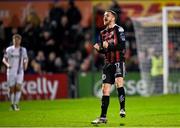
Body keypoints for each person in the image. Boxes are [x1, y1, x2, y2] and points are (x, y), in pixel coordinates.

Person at [91, 10, 126, 124]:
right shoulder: (102, 33)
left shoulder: (119, 29)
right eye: (104, 16)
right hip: (107, 64)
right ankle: (103, 117)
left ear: (113, 18)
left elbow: (122, 45)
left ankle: (122, 109)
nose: (104, 17)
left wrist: (109, 46)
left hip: (118, 61)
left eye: (107, 16)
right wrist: (99, 49)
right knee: (105, 90)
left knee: (118, 82)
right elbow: (105, 50)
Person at [2, 34, 28, 111]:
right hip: (11, 71)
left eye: (18, 40)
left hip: (20, 71)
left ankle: (16, 104)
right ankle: (12, 104)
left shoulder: (23, 50)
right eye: (15, 40)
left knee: (18, 87)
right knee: (11, 89)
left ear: (20, 41)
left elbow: (26, 58)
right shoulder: (9, 49)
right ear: (13, 40)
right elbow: (4, 59)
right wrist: (7, 64)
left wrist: (25, 64)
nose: (16, 42)